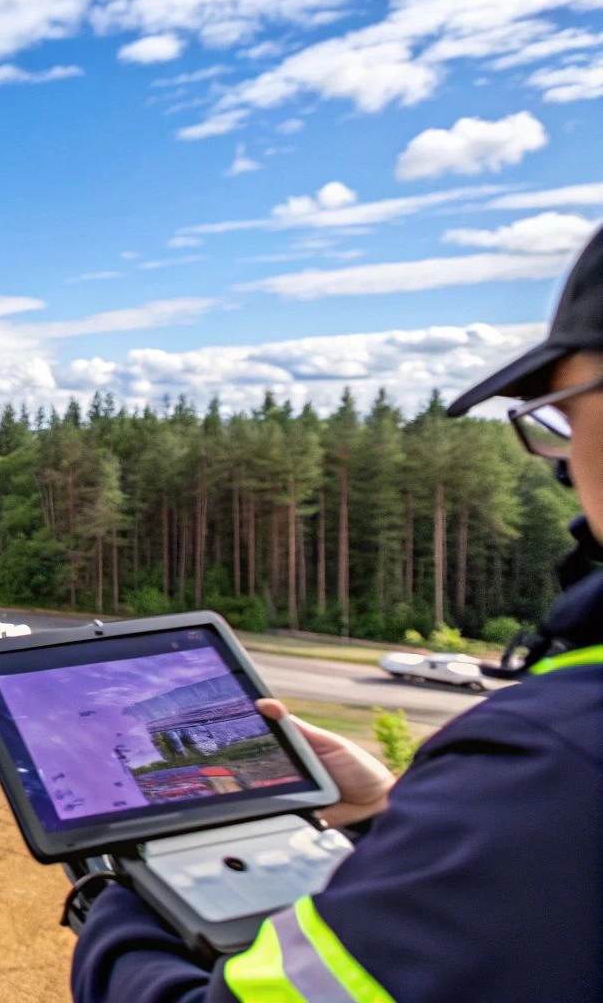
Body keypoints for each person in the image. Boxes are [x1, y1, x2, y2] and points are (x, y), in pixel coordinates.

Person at [70, 226, 603, 1002]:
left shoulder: (557, 760)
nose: (559, 456)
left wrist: (117, 897)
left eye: (559, 412)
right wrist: (388, 814)